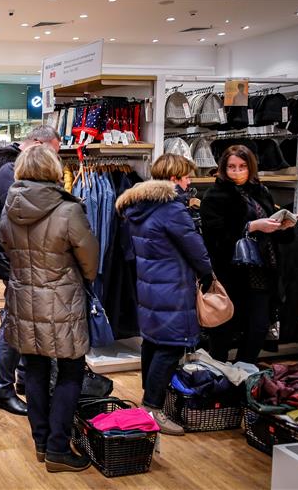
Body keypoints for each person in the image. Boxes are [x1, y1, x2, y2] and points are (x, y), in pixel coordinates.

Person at [0, 145, 98, 472]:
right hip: (61, 300)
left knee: (34, 369)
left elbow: (7, 249)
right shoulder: (68, 210)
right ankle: (58, 448)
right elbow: (90, 261)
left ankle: (42, 443)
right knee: (71, 369)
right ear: (54, 171)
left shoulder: (9, 208)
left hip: (23, 296)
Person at [116, 154, 214, 435]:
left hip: (150, 285)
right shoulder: (172, 208)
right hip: (172, 286)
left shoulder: (140, 206)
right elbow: (195, 249)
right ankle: (153, 408)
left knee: (153, 343)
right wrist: (207, 273)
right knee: (171, 346)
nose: (189, 182)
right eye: (186, 178)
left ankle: (149, 400)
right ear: (174, 179)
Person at [0, 125, 61, 416]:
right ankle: (2, 388)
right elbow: (21, 215)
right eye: (53, 150)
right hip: (17, 262)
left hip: (25, 261)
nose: (54, 158)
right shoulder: (9, 169)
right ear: (39, 144)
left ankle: (22, 378)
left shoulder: (12, 168)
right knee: (14, 323)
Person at [201, 145, 296, 364]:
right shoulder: (215, 195)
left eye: (242, 166)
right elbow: (215, 238)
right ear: (223, 168)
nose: (237, 171)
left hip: (261, 271)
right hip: (230, 273)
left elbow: (270, 230)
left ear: (250, 167)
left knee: (258, 327)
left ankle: (245, 374)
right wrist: (251, 226)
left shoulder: (260, 191)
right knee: (224, 328)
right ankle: (219, 378)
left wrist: (282, 226)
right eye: (232, 166)